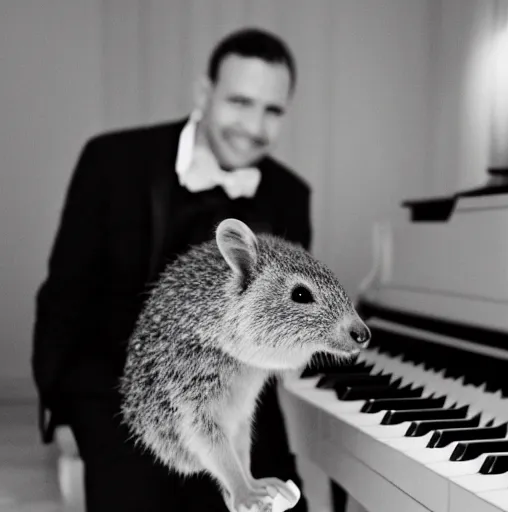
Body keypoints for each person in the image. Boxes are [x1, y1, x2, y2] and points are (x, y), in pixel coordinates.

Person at [32, 27, 311, 511]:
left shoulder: (290, 194)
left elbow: (283, 321)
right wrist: (59, 412)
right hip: (121, 392)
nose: (253, 126)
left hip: (230, 392)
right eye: (240, 102)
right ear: (205, 93)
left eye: (273, 110)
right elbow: (64, 295)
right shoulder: (110, 161)